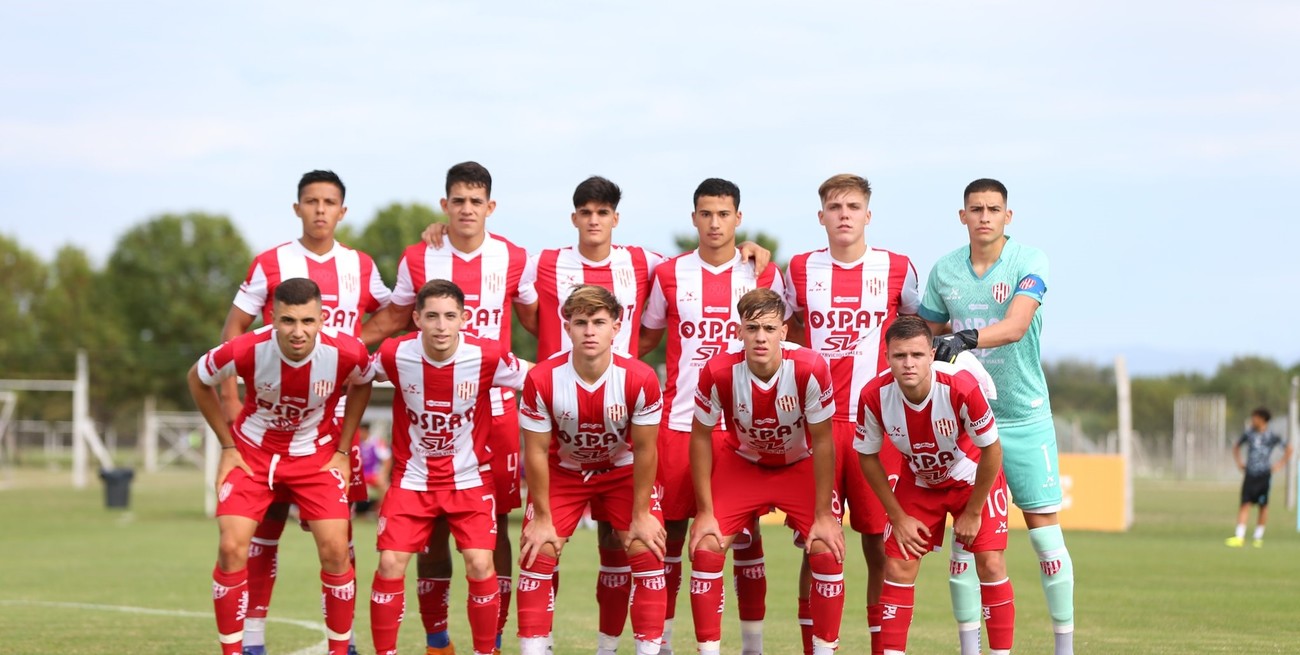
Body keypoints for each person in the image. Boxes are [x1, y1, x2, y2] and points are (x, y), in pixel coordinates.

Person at [424, 174, 772, 654]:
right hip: (564, 431)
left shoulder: (648, 265)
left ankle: (630, 646)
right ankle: (524, 645)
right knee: (539, 544)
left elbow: (696, 285)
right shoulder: (542, 264)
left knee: (640, 540)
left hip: (627, 437)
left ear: (615, 219)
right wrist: (442, 232)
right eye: (586, 212)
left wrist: (748, 249)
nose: (594, 221)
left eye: (602, 213)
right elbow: (517, 300)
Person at [364, 161, 535, 655]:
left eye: (475, 201)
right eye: (457, 200)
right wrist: (340, 347)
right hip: (431, 407)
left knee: (494, 524)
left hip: (494, 406)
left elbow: (534, 319)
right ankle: (437, 639)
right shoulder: (421, 256)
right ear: (445, 205)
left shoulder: (513, 257)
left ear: (490, 207)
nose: (466, 209)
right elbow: (394, 316)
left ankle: (494, 637)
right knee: (430, 531)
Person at [219, 169, 391, 655]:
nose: (320, 210)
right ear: (297, 208)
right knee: (260, 532)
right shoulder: (271, 262)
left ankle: (347, 639)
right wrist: (232, 406)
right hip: (270, 421)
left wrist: (357, 345)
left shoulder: (359, 264)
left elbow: (397, 309)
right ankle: (251, 639)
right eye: (311, 201)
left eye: (329, 202)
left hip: (334, 421)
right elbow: (234, 329)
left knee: (338, 535)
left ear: (342, 211)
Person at [919, 178, 1074, 654]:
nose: (984, 216)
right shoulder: (944, 270)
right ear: (961, 216)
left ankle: (1064, 646)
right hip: (966, 424)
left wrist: (965, 338)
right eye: (975, 209)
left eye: (993, 208)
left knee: (1044, 531)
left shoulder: (1029, 261)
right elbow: (925, 333)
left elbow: (1016, 325)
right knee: (966, 537)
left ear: (1009, 216)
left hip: (1024, 416)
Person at [188, 278, 375, 655]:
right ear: (271, 318)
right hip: (253, 456)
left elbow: (364, 382)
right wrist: (227, 444)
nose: (298, 331)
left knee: (337, 550)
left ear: (322, 318)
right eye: (288, 321)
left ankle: (340, 650)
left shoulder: (346, 351)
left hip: (315, 458)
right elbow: (197, 378)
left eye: (308, 321)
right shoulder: (247, 348)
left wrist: (342, 449)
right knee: (231, 547)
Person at [640, 178, 786, 655]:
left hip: (744, 430)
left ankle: (752, 645)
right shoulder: (670, 275)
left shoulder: (762, 274)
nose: (715, 222)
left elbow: (787, 339)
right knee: (673, 533)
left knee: (744, 538)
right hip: (681, 425)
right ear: (694, 218)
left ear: (738, 218)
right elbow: (646, 340)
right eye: (706, 213)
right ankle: (661, 643)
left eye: (724, 214)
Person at [784, 174, 919, 655]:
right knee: (817, 542)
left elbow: (916, 332)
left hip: (877, 427)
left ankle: (882, 647)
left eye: (854, 205)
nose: (844, 213)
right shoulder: (798, 269)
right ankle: (815, 647)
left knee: (879, 545)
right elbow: (785, 325)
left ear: (868, 214)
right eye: (835, 206)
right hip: (817, 427)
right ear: (821, 216)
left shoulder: (898, 268)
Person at [688, 288, 846, 655]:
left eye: (770, 328)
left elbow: (824, 442)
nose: (761, 337)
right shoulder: (718, 371)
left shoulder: (810, 368)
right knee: (706, 547)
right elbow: (700, 438)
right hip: (742, 464)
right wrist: (705, 511)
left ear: (784, 332)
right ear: (739, 331)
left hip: (799, 465)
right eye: (752, 327)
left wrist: (824, 515)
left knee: (826, 548)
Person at [514, 285, 669, 655]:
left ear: (617, 327)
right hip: (564, 472)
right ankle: (535, 650)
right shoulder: (542, 378)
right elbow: (534, 452)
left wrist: (642, 513)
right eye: (580, 322)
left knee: (646, 548)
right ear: (566, 326)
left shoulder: (640, 377)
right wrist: (542, 518)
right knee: (539, 549)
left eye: (599, 322)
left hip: (621, 471)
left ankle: (631, 650)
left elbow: (647, 449)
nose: (589, 330)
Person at [855, 316, 1015, 655]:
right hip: (921, 480)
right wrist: (897, 517)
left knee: (991, 562)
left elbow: (992, 450)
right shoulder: (873, 396)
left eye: (916, 355)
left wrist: (973, 512)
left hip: (972, 478)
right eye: (899, 356)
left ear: (932, 354)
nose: (908, 363)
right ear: (887, 357)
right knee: (898, 563)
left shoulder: (961, 386)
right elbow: (868, 457)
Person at [1225, 407, 1292, 547]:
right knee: (1245, 503)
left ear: (1262, 419)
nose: (1253, 420)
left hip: (1264, 474)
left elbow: (1289, 448)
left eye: (1255, 417)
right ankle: (1239, 536)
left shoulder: (1272, 435)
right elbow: (1236, 446)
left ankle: (1258, 536)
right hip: (1250, 473)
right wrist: (1239, 463)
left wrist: (1279, 465)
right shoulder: (1249, 433)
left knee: (1263, 505)